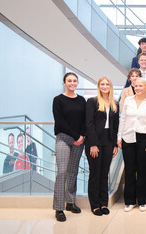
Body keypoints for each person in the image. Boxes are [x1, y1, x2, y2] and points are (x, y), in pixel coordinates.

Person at [52, 72, 86, 222]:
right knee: (62, 172)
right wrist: (75, 136)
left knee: (73, 171)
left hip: (79, 140)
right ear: (64, 83)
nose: (72, 83)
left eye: (74, 81)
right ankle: (59, 208)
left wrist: (82, 136)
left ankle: (70, 202)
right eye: (69, 81)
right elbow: (59, 122)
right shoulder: (58, 100)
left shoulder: (81, 100)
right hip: (64, 138)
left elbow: (85, 120)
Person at [118, 78, 146, 212]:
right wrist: (119, 137)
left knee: (144, 170)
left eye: (141, 86)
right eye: (136, 86)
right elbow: (122, 119)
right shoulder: (128, 101)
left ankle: (143, 200)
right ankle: (130, 201)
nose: (138, 88)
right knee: (130, 170)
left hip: (144, 138)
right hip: (128, 137)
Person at [85, 77, 119, 216]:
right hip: (95, 141)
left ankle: (104, 203)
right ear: (99, 87)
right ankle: (95, 205)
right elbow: (89, 123)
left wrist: (115, 144)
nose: (105, 86)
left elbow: (115, 125)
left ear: (110, 87)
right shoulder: (92, 102)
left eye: (107, 84)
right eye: (102, 84)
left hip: (109, 141)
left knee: (104, 174)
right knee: (95, 174)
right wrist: (93, 144)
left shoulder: (114, 103)